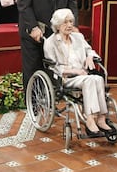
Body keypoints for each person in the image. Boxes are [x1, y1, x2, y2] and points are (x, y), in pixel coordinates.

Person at [17, 0, 78, 91]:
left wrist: (72, 24)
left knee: (53, 70)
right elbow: (24, 5)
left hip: (57, 33)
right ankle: (32, 108)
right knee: (33, 69)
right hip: (34, 32)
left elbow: (72, 1)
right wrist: (33, 27)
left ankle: (50, 103)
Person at [44, 8, 113, 136]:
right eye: (65, 22)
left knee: (98, 79)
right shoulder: (50, 42)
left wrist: (89, 56)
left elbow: (89, 50)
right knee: (90, 80)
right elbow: (54, 67)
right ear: (58, 25)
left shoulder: (78, 37)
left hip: (83, 75)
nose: (70, 25)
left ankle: (102, 118)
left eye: (71, 21)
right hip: (67, 78)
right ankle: (90, 119)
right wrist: (75, 70)